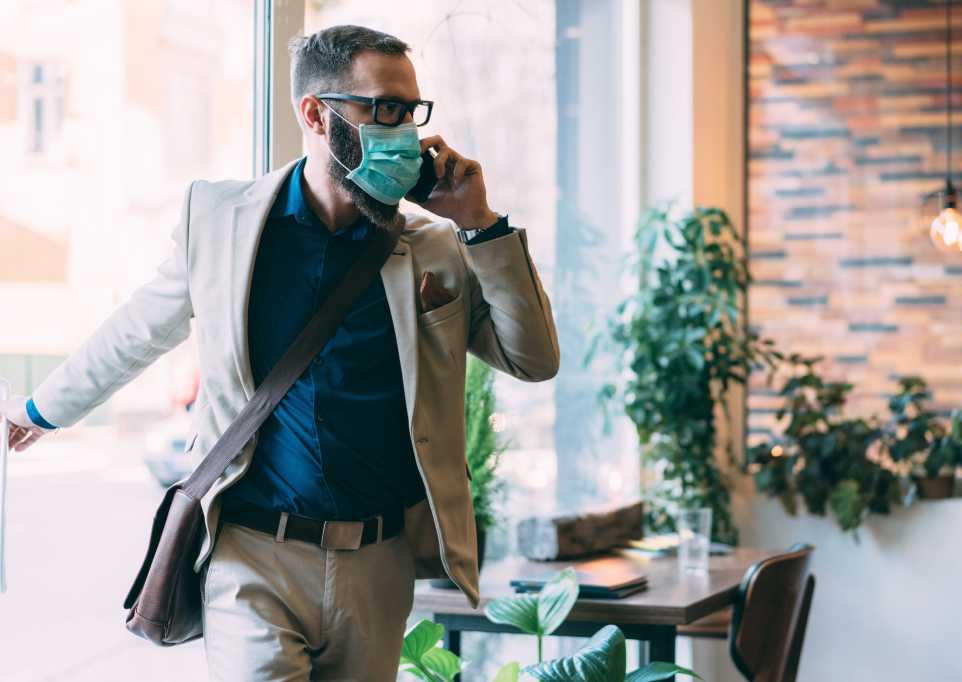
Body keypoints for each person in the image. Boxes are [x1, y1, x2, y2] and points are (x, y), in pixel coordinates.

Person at [0, 24, 559, 681]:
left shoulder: (434, 245)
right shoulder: (222, 221)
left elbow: (533, 359)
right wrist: (40, 408)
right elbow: (139, 328)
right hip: (254, 553)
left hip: (378, 563)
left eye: (410, 110)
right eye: (383, 108)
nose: (403, 128)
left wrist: (480, 224)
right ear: (315, 114)